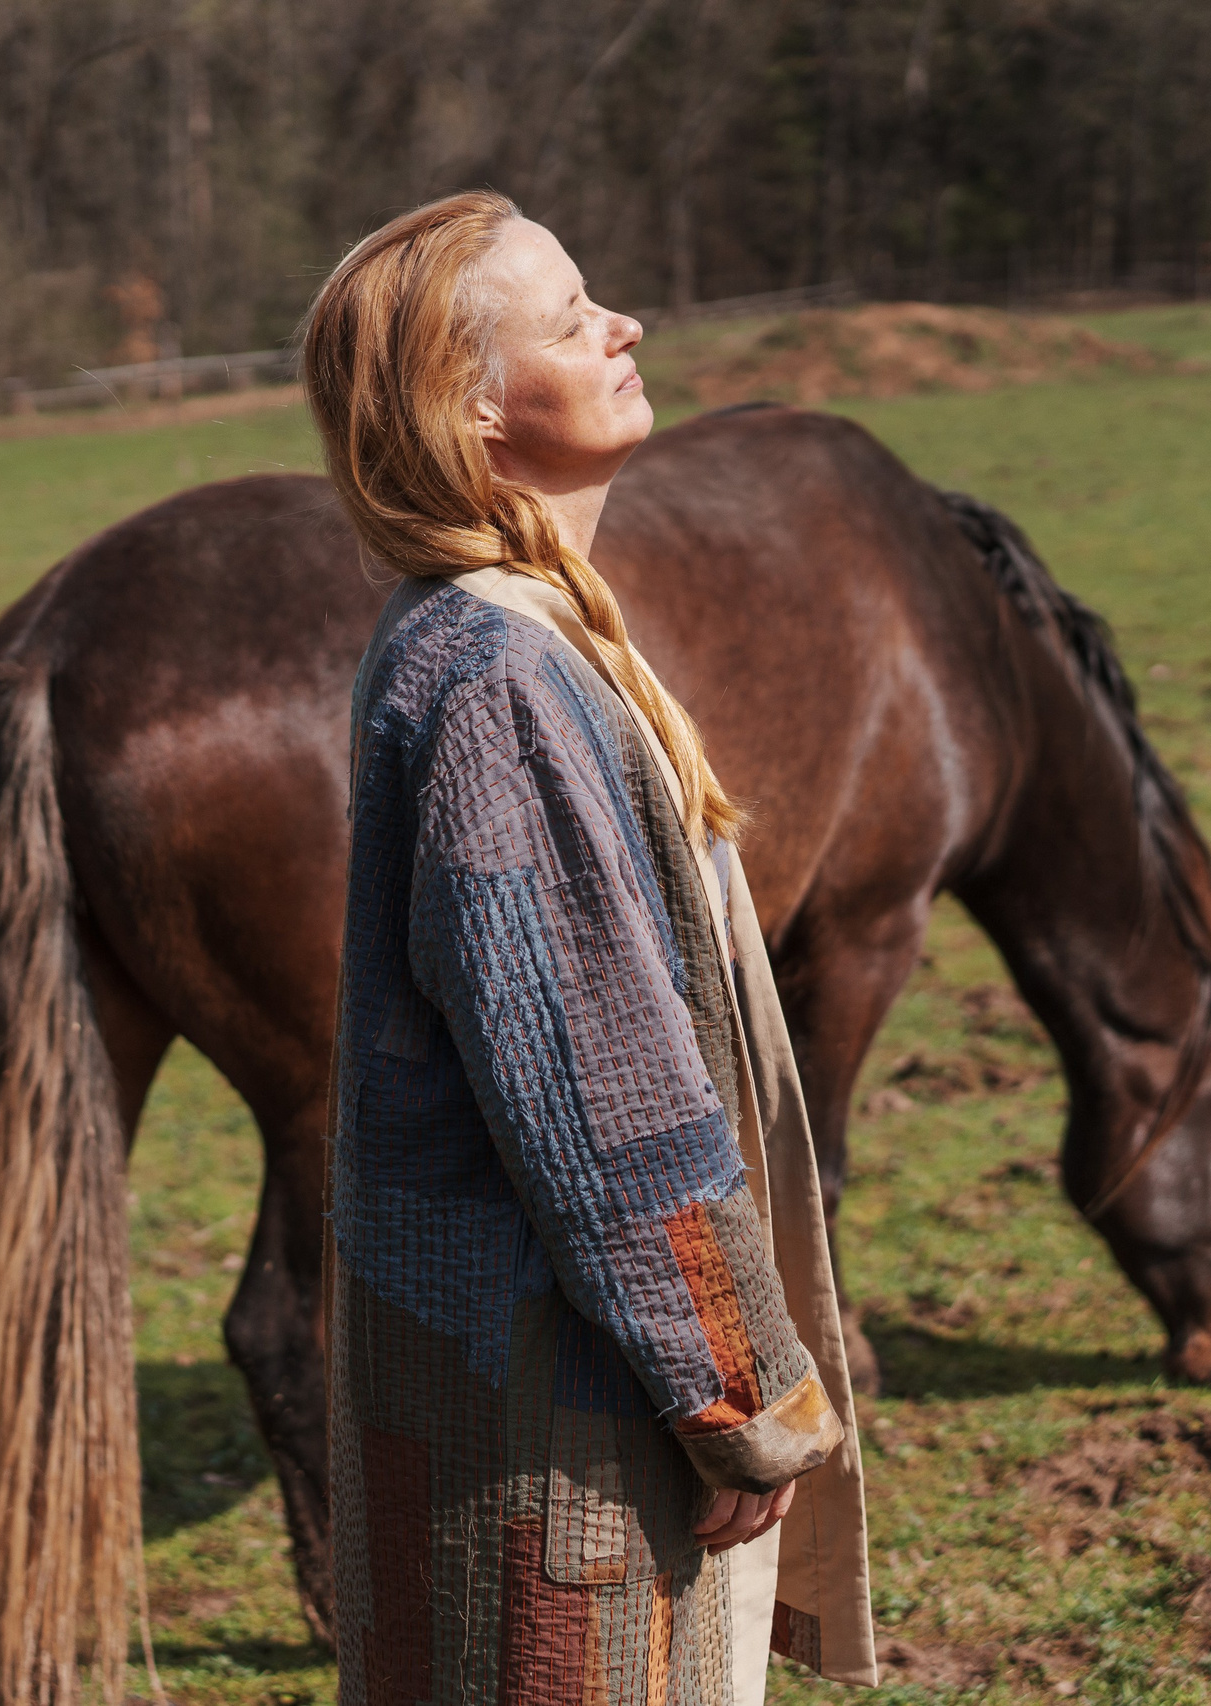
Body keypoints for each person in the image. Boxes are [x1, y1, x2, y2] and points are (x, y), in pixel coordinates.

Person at [302, 190, 879, 1703]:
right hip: (555, 1419)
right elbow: (600, 1089)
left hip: (526, 1374)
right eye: (572, 318)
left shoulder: (498, 631)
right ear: (471, 411)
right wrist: (735, 1390)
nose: (624, 326)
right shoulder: (496, 671)